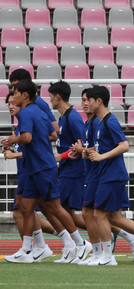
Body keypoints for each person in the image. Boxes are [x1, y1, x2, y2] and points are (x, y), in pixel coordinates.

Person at [4, 80, 88, 263]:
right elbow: (53, 134)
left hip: (42, 167)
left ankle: (81, 244)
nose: (13, 97)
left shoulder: (26, 112)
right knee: (25, 208)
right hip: (37, 167)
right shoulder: (40, 112)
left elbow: (26, 137)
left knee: (56, 208)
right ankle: (27, 250)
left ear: (24, 95)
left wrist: (12, 139)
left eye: (15, 93)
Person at [83, 86, 134, 265]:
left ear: (99, 101)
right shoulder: (98, 122)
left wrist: (100, 156)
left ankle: (107, 256)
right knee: (113, 218)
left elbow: (124, 145)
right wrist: (89, 152)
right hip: (108, 174)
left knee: (98, 214)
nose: (86, 103)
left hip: (112, 175)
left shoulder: (109, 122)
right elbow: (104, 147)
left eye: (89, 100)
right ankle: (105, 255)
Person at [3, 92, 54, 261]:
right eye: (8, 103)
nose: (11, 105)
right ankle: (37, 247)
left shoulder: (31, 113)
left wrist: (14, 150)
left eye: (13, 101)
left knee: (53, 210)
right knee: (26, 209)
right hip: (29, 170)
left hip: (36, 170)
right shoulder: (22, 123)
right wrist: (12, 147)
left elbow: (39, 141)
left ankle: (73, 241)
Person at [48, 81, 92, 263]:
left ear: (58, 97)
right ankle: (78, 244)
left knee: (59, 209)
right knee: (67, 213)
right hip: (67, 170)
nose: (49, 100)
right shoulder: (63, 118)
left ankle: (86, 242)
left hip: (74, 171)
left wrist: (62, 156)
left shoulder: (72, 118)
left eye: (50, 96)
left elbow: (82, 143)